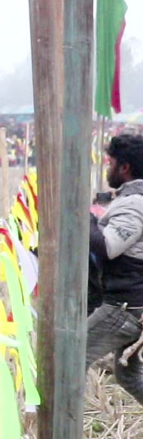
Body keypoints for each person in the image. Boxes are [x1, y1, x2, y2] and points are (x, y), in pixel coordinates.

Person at [88, 134, 143, 405]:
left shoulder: (135, 204)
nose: (107, 168)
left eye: (110, 163)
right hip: (133, 306)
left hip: (124, 308)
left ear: (124, 167)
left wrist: (82, 217)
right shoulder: (131, 199)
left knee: (69, 359)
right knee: (129, 378)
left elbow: (109, 246)